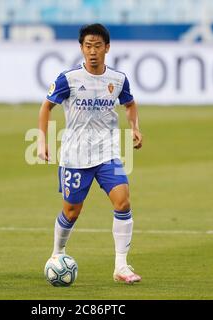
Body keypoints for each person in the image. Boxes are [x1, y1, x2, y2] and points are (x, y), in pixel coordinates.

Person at [37, 24, 143, 284]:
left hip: (108, 153)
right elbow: (46, 107)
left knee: (123, 201)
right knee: (72, 211)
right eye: (87, 46)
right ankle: (57, 252)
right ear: (81, 48)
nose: (92, 51)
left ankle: (121, 266)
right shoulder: (69, 79)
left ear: (107, 48)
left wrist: (134, 127)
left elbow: (129, 103)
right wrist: (42, 141)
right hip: (75, 155)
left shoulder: (118, 79)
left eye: (97, 46)